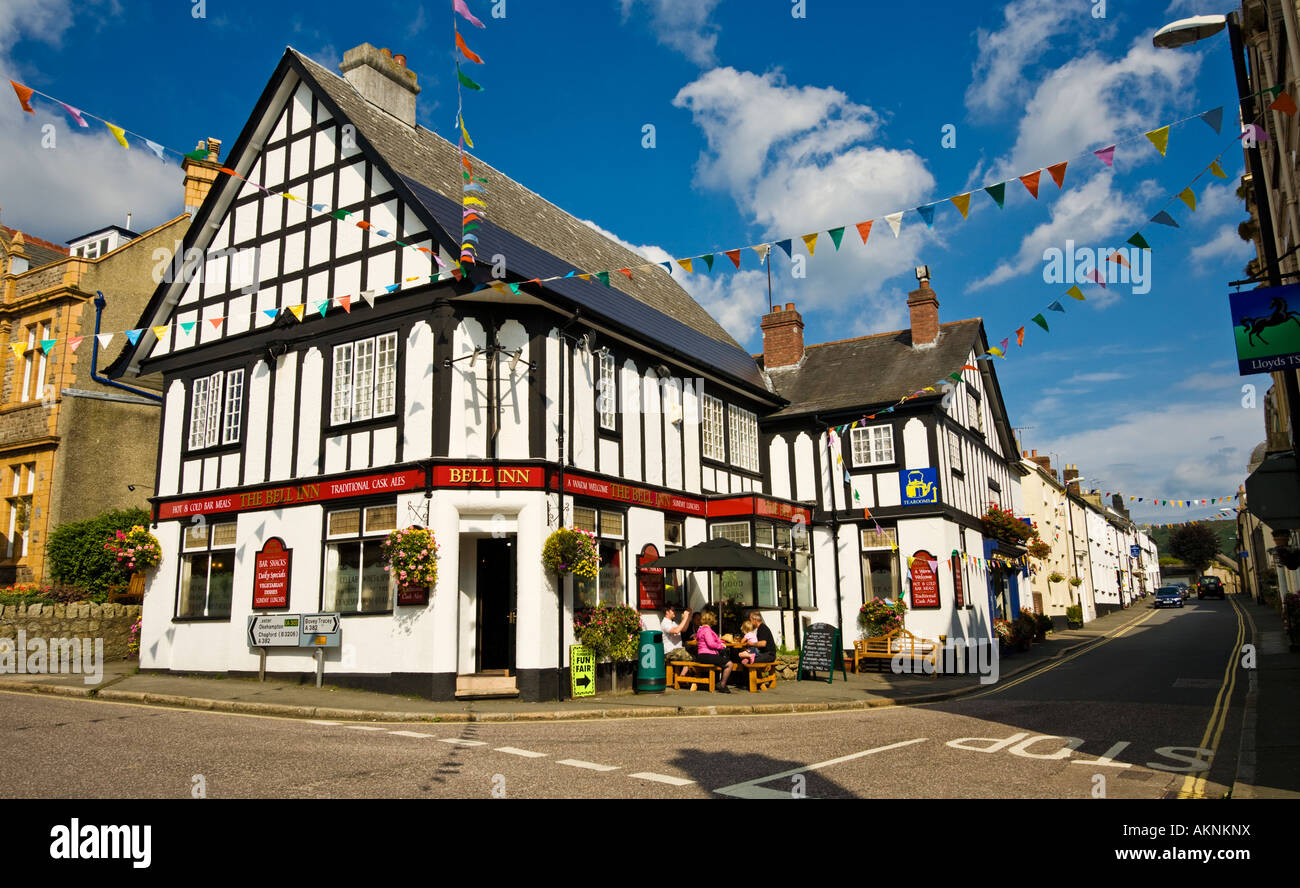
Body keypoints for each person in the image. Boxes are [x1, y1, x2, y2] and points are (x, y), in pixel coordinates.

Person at [693, 612, 732, 693]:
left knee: (722, 661)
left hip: (701, 655)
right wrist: (721, 646)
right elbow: (711, 644)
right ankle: (722, 684)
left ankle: (718, 682)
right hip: (707, 655)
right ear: (711, 621)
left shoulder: (700, 630)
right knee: (729, 664)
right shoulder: (707, 630)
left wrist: (720, 641)